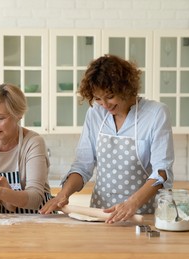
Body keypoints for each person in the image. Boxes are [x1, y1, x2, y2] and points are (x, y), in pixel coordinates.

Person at [40, 54, 174, 223]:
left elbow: (162, 172)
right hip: (100, 215)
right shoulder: (95, 113)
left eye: (110, 96)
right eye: (97, 98)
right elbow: (83, 165)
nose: (104, 104)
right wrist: (63, 194)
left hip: (142, 216)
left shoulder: (155, 114)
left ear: (126, 88)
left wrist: (131, 203)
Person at [0, 83, 52, 214]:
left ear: (18, 115)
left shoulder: (33, 142)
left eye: (0, 118)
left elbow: (35, 199)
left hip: (35, 220)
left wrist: (0, 192)